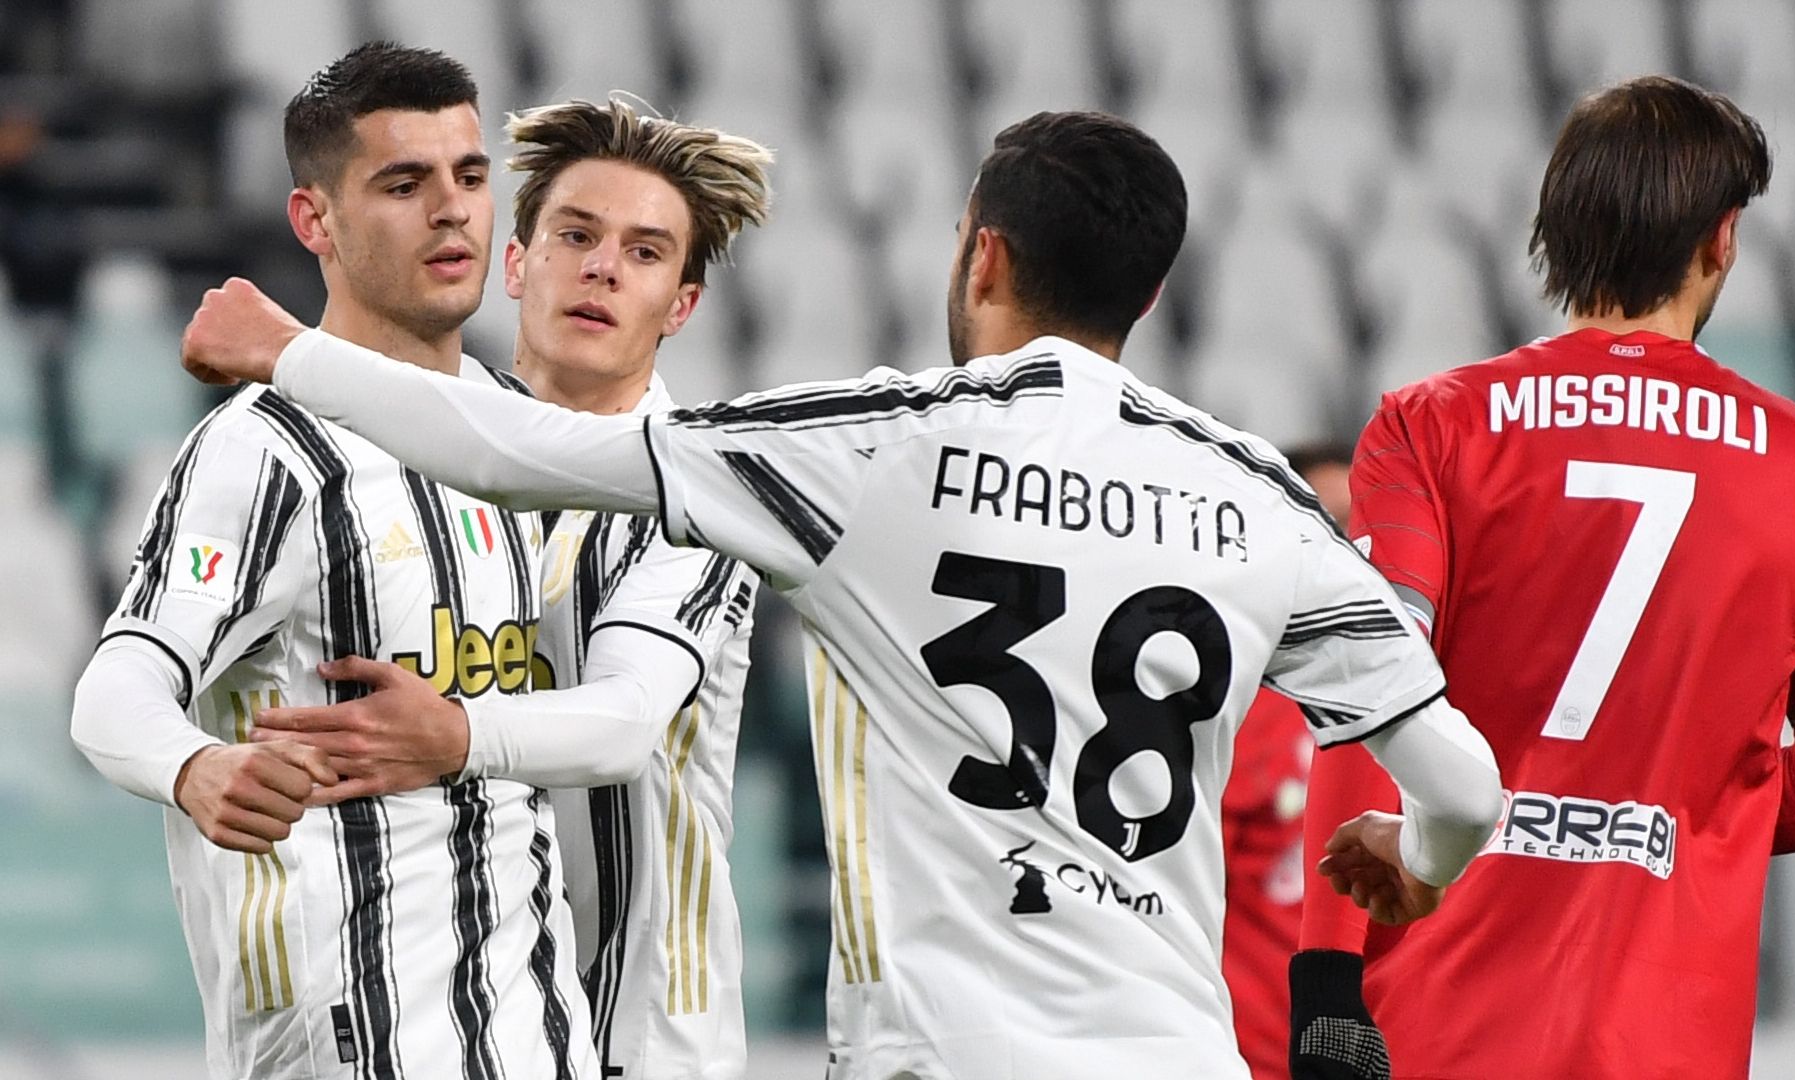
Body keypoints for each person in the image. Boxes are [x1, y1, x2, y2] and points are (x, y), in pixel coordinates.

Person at [179, 110, 1505, 1080]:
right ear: (1151, 293)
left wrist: (287, 353)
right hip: (1178, 1051)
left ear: (981, 258)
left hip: (936, 1053)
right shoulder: (1254, 495)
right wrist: (1410, 864)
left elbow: (521, 452)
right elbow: (1460, 782)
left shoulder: (878, 450)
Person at [1287, 76, 1795, 1080]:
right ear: (1724, 240)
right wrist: (1688, 806)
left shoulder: (1430, 427)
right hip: (1670, 1041)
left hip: (1437, 1027)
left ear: (1556, 230)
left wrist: (1323, 983)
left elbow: (1367, 698)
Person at [69, 43, 601, 1078]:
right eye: (404, 183)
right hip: (357, 1050)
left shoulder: (524, 434)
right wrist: (195, 766)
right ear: (315, 222)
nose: (451, 209)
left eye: (471, 175)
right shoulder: (265, 452)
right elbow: (115, 685)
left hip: (539, 1044)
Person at [247, 97, 773, 1079]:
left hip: (638, 1035)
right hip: (434, 1024)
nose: (604, 267)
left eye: (647, 252)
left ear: (683, 306)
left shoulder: (702, 498)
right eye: (577, 235)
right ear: (519, 263)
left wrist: (450, 739)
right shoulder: (403, 461)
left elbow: (620, 728)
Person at [1220, 444, 1351, 1080]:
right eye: (1324, 526)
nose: (1346, 551)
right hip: (1251, 1054)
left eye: (1358, 527)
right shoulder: (1229, 703)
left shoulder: (1441, 701)